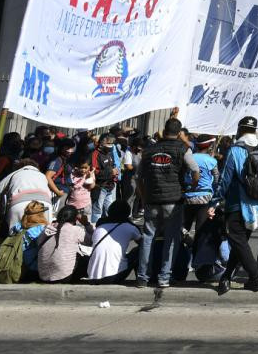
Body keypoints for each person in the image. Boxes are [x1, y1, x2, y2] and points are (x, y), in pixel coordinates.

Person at [209, 115, 258, 295]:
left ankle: (255, 276)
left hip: (238, 204)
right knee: (240, 244)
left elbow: (225, 180)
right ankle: (226, 278)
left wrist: (214, 201)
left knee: (237, 241)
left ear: (239, 130)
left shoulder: (235, 150)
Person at [137, 117, 199, 289]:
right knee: (171, 239)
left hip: (152, 199)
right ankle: (164, 277)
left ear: (164, 131)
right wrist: (190, 187)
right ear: (179, 133)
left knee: (148, 237)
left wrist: (143, 195)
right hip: (173, 199)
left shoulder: (149, 150)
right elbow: (195, 170)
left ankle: (143, 277)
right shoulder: (183, 148)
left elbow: (138, 176)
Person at [86, 200, 141, 284]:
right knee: (138, 250)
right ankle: (141, 279)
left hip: (92, 277)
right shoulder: (130, 227)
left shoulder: (100, 225)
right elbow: (143, 243)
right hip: (113, 277)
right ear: (127, 213)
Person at [38, 206, 93, 283]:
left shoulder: (48, 228)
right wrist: (86, 224)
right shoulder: (75, 230)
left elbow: (38, 243)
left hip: (43, 275)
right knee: (88, 259)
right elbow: (92, 241)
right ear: (75, 218)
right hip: (64, 276)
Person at [0, 159, 53, 229]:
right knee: (43, 235)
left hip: (18, 204)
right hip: (45, 204)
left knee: (15, 236)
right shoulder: (42, 175)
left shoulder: (15, 173)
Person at [184, 136, 219, 234]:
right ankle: (197, 248)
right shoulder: (212, 161)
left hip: (188, 196)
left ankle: (181, 246)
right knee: (201, 228)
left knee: (184, 227)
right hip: (205, 197)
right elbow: (217, 180)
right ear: (209, 146)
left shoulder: (188, 158)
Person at [90, 133, 122, 224]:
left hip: (110, 186)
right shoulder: (95, 154)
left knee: (110, 210)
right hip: (99, 187)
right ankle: (95, 229)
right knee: (97, 210)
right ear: (101, 143)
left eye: (112, 144)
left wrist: (115, 173)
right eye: (108, 143)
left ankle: (109, 228)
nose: (111, 146)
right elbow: (95, 172)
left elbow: (112, 167)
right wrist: (111, 172)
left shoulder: (109, 153)